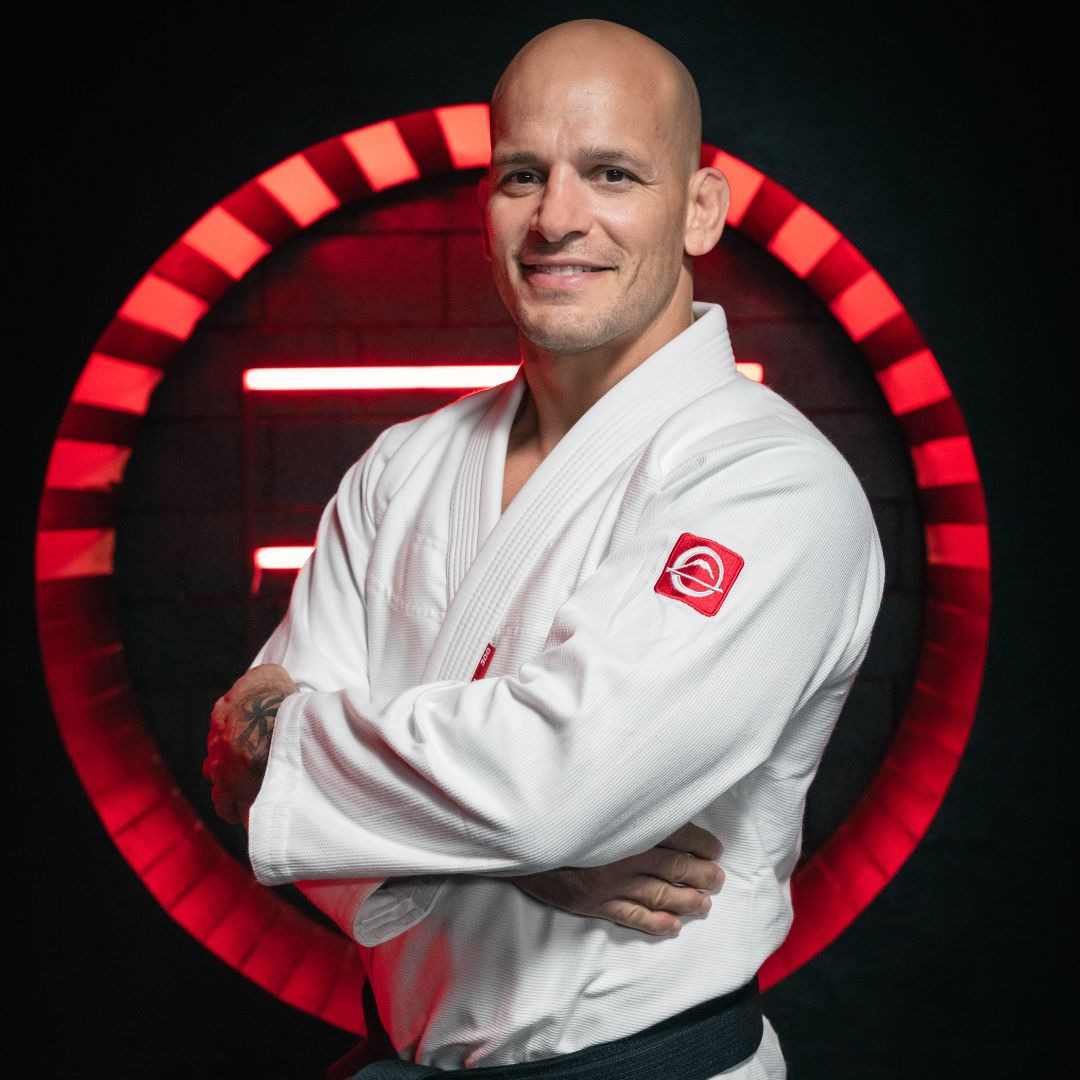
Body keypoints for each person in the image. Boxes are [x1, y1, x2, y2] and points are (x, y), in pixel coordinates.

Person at [205, 18, 884, 1079]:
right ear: (484, 207)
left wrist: (341, 771)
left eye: (612, 173)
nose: (558, 219)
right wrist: (529, 866)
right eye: (524, 175)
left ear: (700, 210)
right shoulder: (401, 467)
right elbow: (243, 777)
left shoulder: (767, 481)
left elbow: (561, 784)